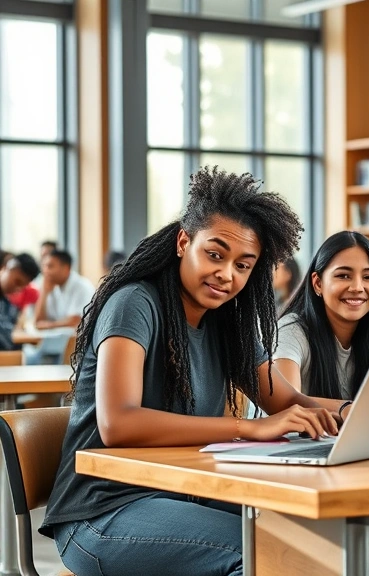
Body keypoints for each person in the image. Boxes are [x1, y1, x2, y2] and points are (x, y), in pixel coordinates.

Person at [41, 167, 342, 576]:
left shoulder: (227, 323)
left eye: (243, 265)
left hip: (185, 492)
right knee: (265, 555)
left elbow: (287, 401)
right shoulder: (136, 303)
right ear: (185, 241)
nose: (226, 274)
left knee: (336, 536)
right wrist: (249, 428)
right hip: (102, 512)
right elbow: (119, 424)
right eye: (215, 254)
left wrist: (359, 410)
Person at [273, 231, 369, 575]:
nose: (358, 287)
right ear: (317, 283)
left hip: (357, 466)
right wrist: (349, 408)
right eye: (343, 275)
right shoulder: (293, 329)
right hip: (295, 470)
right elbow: (285, 398)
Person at [35, 249, 96, 330]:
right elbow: (38, 322)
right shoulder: (50, 286)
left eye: (50, 266)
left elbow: (75, 320)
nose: (45, 271)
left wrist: (49, 325)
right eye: (44, 266)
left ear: (66, 268)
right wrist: (44, 293)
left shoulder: (82, 286)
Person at [1, 254, 41, 350]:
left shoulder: (8, 305)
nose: (17, 289)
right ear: (9, 266)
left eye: (22, 287)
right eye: (17, 282)